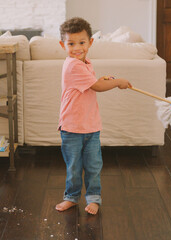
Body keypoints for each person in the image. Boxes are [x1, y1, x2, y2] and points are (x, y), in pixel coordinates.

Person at [56, 17, 132, 215]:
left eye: (82, 42)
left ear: (90, 42)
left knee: (93, 166)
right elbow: (96, 87)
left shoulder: (86, 63)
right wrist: (118, 82)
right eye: (71, 44)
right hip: (72, 128)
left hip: (91, 126)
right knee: (74, 167)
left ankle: (93, 199)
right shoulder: (73, 65)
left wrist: (101, 79)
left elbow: (91, 84)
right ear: (62, 45)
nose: (77, 48)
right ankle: (71, 198)